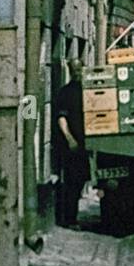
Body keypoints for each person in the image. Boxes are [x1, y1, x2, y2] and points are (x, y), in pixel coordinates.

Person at [54, 60, 88, 227]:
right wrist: (69, 139)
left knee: (80, 180)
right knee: (72, 183)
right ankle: (70, 219)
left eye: (79, 68)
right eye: (74, 69)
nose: (77, 72)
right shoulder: (65, 93)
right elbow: (62, 118)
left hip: (87, 143)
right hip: (73, 146)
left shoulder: (89, 90)